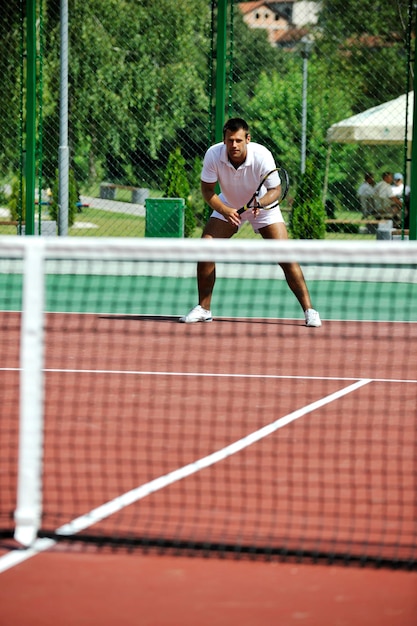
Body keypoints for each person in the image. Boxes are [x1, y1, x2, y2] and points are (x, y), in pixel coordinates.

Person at [179, 118, 321, 327]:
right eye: (229, 140)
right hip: (229, 204)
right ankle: (204, 309)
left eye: (238, 140)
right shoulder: (213, 154)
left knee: (285, 254)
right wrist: (225, 210)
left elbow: (276, 190)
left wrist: (260, 203)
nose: (234, 145)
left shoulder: (262, 155)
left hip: (262, 208)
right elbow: (208, 191)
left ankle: (310, 311)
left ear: (248, 139)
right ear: (224, 140)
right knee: (205, 247)